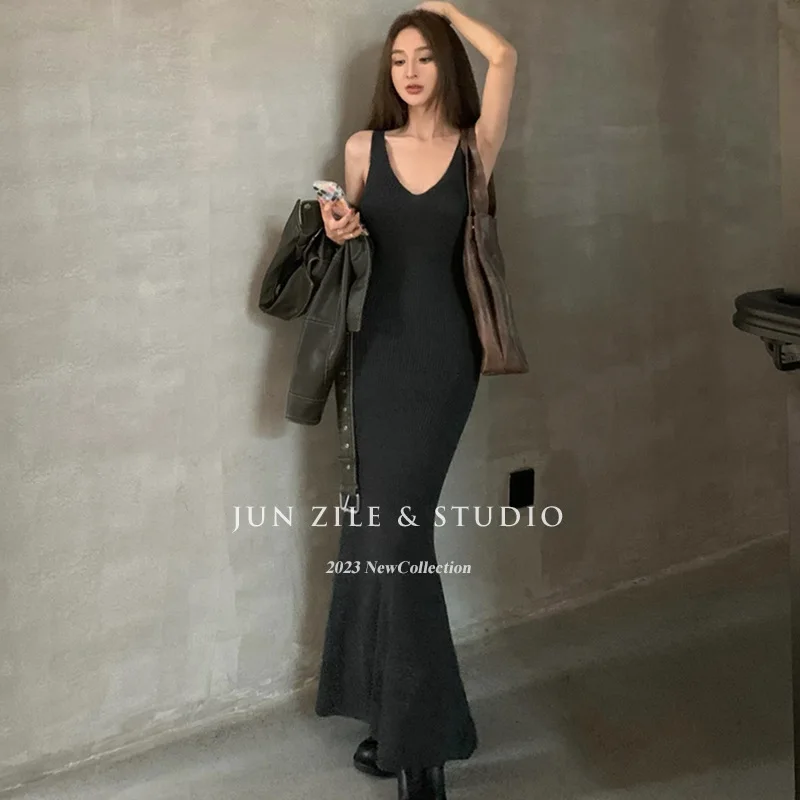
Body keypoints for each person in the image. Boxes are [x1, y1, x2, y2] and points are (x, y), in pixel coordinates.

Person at [313, 4, 517, 799]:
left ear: (444, 65)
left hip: (442, 363)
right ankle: (392, 719)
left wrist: (447, 10)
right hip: (373, 360)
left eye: (425, 55)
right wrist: (338, 226)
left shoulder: (474, 150)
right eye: (398, 57)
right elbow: (349, 241)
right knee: (376, 534)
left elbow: (506, 59)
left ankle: (423, 747)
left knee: (398, 538)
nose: (409, 70)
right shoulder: (363, 149)